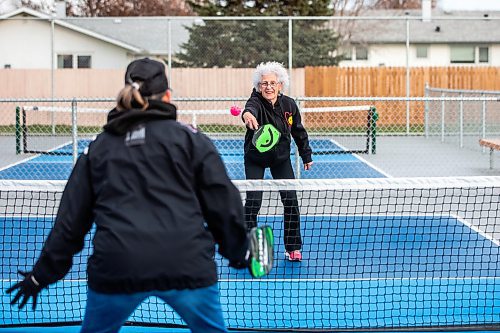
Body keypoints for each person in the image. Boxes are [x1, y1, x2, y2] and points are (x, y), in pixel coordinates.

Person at [6, 58, 250, 333]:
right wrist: (238, 252)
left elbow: (70, 223)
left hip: (116, 267)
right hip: (187, 264)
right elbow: (223, 204)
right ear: (168, 96)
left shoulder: (98, 149)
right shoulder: (192, 141)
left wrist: (41, 276)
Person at [241, 61, 313, 262]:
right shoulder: (255, 101)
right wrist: (247, 115)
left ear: (280, 85)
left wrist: (306, 154)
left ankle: (293, 247)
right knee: (253, 203)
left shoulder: (289, 105)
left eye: (273, 83)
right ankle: (251, 248)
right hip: (255, 159)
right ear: (259, 86)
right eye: (264, 83)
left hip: (280, 159)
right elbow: (249, 109)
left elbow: (298, 131)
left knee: (290, 201)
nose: (269, 87)